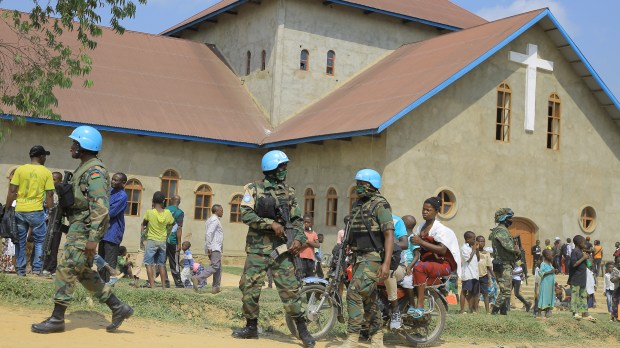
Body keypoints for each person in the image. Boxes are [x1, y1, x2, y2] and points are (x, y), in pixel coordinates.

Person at [31, 126, 133, 333]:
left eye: (75, 144)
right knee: (83, 272)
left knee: (67, 268)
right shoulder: (84, 168)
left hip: (85, 229)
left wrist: (93, 238)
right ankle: (118, 307)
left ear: (85, 146)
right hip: (80, 226)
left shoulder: (94, 171)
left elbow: (100, 207)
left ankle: (57, 319)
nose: (71, 147)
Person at [232, 150, 314, 348]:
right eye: (281, 167)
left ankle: (303, 330)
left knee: (290, 290)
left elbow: (296, 221)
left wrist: (299, 240)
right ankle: (251, 326)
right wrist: (270, 224)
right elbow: (246, 214)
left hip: (282, 250)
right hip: (257, 250)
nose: (285, 170)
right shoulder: (253, 189)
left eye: (285, 166)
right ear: (271, 169)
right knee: (249, 288)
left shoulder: (289, 193)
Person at [340, 168, 394, 348]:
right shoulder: (358, 205)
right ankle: (378, 337)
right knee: (368, 298)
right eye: (358, 184)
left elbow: (388, 234)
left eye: (362, 184)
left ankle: (352, 338)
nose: (359, 188)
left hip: (373, 257)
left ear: (373, 185)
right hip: (357, 256)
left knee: (354, 292)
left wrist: (386, 263)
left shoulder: (380, 205)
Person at [4, 145, 55, 276]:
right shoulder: (46, 172)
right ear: (41, 156)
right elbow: (49, 194)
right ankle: (37, 269)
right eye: (45, 156)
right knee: (39, 241)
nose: (45, 158)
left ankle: (20, 270)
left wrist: (8, 207)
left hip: (20, 210)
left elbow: (12, 190)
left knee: (20, 240)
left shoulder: (20, 170)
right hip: (36, 211)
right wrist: (50, 210)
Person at [410, 197, 460, 319]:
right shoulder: (421, 227)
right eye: (423, 209)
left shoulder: (440, 229)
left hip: (444, 264)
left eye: (428, 210)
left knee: (419, 268)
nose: (425, 212)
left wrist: (420, 242)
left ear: (436, 211)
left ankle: (420, 305)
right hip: (427, 262)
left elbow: (442, 250)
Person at [488, 208, 520, 315]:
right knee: (506, 291)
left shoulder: (500, 230)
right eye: (509, 218)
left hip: (503, 264)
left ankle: (503, 311)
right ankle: (495, 310)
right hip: (504, 264)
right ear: (504, 218)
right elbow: (509, 247)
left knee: (504, 290)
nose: (511, 220)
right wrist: (517, 250)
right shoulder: (501, 231)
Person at [98, 172, 127, 283]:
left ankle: (109, 285)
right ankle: (100, 284)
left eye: (116, 180)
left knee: (110, 260)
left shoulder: (122, 196)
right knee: (100, 259)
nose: (113, 182)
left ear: (123, 183)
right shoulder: (110, 191)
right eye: (113, 179)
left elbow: (111, 213)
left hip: (113, 232)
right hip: (103, 231)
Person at [142, 191, 175, 290]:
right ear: (163, 201)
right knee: (161, 264)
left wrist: (143, 238)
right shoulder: (168, 213)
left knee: (148, 263)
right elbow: (172, 224)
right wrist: (167, 233)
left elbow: (143, 224)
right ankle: (164, 287)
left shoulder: (149, 212)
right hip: (162, 241)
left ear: (152, 201)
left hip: (152, 240)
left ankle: (152, 286)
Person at [383, 213, 409, 330]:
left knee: (387, 272)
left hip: (397, 264)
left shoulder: (396, 221)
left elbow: (404, 243)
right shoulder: (370, 221)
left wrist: (386, 246)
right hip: (376, 262)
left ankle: (395, 309)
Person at [194, 204, 225, 294]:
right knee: (215, 266)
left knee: (218, 267)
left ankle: (216, 287)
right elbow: (209, 233)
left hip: (214, 246)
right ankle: (198, 278)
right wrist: (209, 247)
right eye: (221, 210)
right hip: (214, 247)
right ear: (216, 211)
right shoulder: (215, 220)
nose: (222, 212)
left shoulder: (210, 219)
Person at [568, 235, 596, 322]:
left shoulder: (582, 252)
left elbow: (589, 265)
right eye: (584, 242)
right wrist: (583, 258)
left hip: (582, 278)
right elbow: (573, 264)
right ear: (579, 243)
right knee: (575, 295)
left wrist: (590, 256)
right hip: (575, 278)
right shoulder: (575, 252)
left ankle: (585, 313)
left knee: (583, 295)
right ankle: (575, 312)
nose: (585, 244)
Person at [42, 171, 64, 276]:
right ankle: (43, 266)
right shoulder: (47, 191)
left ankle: (52, 268)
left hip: (57, 224)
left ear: (60, 181)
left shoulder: (62, 193)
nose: (52, 181)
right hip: (46, 222)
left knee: (54, 247)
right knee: (45, 245)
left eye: (54, 179)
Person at [165, 195, 185, 288]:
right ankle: (178, 282)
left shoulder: (164, 209)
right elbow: (179, 229)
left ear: (170, 200)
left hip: (162, 239)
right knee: (175, 262)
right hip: (173, 241)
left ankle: (165, 281)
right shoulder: (180, 212)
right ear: (179, 202)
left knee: (161, 261)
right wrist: (179, 243)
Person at [460, 231, 479, 314]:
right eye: (473, 239)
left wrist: (476, 250)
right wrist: (474, 249)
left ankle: (470, 309)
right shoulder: (464, 248)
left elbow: (478, 259)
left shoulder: (472, 248)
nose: (475, 240)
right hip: (467, 273)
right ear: (467, 239)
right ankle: (462, 310)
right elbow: (468, 259)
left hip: (474, 274)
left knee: (472, 292)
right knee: (464, 291)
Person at [476, 235, 494, 314]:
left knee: (485, 293)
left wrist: (493, 276)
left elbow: (489, 266)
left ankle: (487, 311)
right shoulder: (473, 252)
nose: (482, 243)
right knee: (476, 294)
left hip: (484, 275)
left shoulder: (487, 253)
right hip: (475, 276)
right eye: (480, 241)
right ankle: (476, 311)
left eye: (483, 241)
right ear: (476, 242)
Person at [299, 213, 320, 278]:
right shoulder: (301, 232)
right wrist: (310, 244)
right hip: (301, 258)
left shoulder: (314, 234)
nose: (306, 224)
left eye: (308, 222)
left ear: (311, 223)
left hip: (311, 259)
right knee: (301, 276)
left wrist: (308, 242)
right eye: (305, 222)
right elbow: (299, 245)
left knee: (311, 276)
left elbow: (317, 245)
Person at [537, 249, 556, 319]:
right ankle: (539, 312)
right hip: (545, 284)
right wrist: (550, 272)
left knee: (549, 297)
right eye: (552, 256)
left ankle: (547, 311)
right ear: (547, 256)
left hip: (550, 285)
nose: (552, 257)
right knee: (543, 296)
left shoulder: (550, 264)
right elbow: (540, 273)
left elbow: (552, 271)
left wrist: (554, 271)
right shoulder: (543, 264)